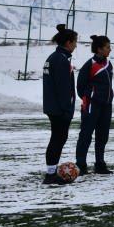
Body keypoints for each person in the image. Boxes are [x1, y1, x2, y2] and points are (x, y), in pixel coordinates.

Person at [42, 24, 78, 185]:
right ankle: (50, 175)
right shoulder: (61, 60)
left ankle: (51, 172)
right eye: (75, 42)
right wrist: (67, 109)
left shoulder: (53, 57)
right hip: (59, 109)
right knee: (58, 139)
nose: (76, 45)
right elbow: (63, 88)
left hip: (53, 106)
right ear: (68, 43)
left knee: (57, 138)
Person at [75, 35, 114, 176]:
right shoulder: (90, 64)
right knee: (86, 135)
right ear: (99, 49)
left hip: (106, 105)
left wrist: (109, 96)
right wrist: (90, 97)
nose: (110, 49)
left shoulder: (108, 64)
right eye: (107, 47)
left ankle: (100, 165)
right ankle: (81, 165)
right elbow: (80, 86)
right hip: (92, 106)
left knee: (102, 136)